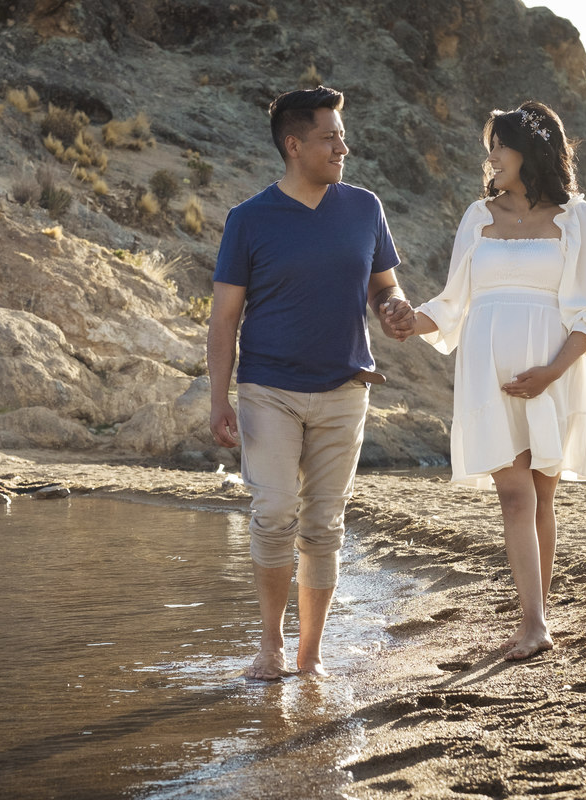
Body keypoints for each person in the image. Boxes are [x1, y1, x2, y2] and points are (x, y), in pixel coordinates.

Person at [208, 86, 411, 680]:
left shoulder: (365, 208)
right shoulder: (248, 220)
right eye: (330, 136)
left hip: (346, 387)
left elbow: (385, 286)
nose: (342, 146)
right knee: (273, 512)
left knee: (324, 523)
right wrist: (219, 399)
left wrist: (395, 306)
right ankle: (270, 645)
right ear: (294, 145)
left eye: (342, 135)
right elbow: (223, 321)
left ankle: (310, 653)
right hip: (269, 387)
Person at [401, 100, 586, 661]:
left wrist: (550, 372)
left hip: (554, 370)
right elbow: (451, 304)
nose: (490, 158)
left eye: (499, 146)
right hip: (486, 374)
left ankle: (535, 619)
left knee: (542, 495)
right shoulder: (478, 216)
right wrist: (408, 320)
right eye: (489, 147)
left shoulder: (577, 217)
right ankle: (535, 622)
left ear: (530, 150)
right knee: (514, 496)